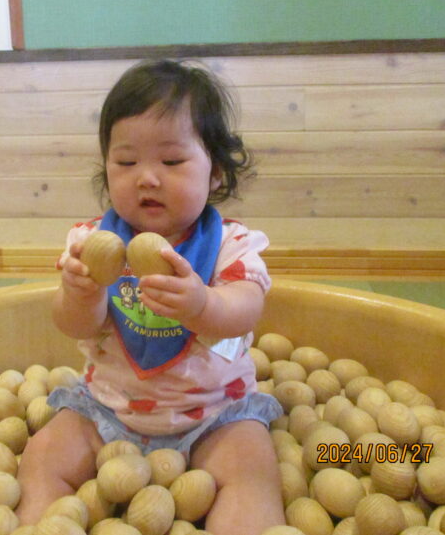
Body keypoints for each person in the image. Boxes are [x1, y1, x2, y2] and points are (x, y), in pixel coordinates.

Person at [16, 59, 285, 535]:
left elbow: (246, 309)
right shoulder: (92, 241)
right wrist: (80, 294)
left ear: (216, 172)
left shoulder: (229, 244)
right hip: (106, 409)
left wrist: (203, 305)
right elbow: (74, 325)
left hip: (215, 415)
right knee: (42, 457)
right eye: (126, 162)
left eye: (171, 161)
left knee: (251, 471)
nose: (146, 178)